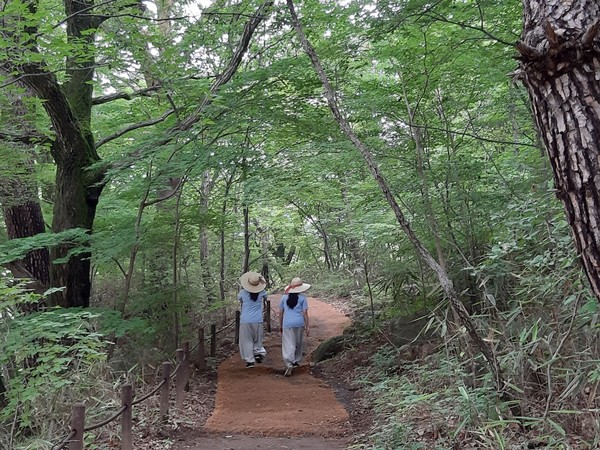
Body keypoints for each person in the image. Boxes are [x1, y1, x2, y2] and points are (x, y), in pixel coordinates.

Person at [279, 276, 310, 377]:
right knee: (298, 342)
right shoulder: (302, 298)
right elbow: (305, 313)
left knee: (289, 343)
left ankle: (289, 363)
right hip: (299, 323)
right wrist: (307, 326)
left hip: (287, 323)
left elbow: (281, 312)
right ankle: (296, 361)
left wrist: (280, 324)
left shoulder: (284, 298)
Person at [238, 271, 268, 368]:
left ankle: (250, 361)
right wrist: (261, 280)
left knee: (247, 340)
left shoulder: (242, 293)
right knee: (257, 339)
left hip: (245, 320)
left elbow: (240, 300)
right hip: (257, 319)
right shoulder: (262, 293)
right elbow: (266, 295)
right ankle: (258, 353)